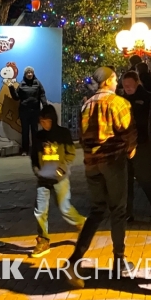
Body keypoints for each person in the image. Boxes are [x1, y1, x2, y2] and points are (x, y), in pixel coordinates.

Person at [66, 67, 137, 288]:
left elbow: (80, 135)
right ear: (108, 81)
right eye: (115, 79)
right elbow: (129, 132)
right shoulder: (118, 103)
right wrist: (130, 150)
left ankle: (74, 259)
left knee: (97, 210)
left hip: (91, 164)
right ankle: (119, 260)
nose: (116, 83)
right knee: (118, 210)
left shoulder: (86, 105)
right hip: (113, 162)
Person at [29, 105, 84, 258]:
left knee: (64, 208)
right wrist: (36, 170)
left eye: (46, 121)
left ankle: (82, 223)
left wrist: (62, 169)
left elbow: (70, 153)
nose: (43, 124)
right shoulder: (38, 136)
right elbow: (33, 156)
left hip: (60, 179)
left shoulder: (63, 134)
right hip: (43, 180)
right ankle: (43, 240)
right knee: (40, 210)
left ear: (52, 120)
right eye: (41, 121)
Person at [120, 70, 151, 220]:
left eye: (130, 85)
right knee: (126, 180)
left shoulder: (147, 98)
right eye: (125, 85)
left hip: (142, 144)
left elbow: (149, 121)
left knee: (144, 177)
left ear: (137, 83)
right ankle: (128, 212)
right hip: (125, 145)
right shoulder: (122, 99)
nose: (127, 88)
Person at [9, 66, 46, 156]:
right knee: (25, 132)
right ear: (25, 75)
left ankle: (35, 150)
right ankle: (25, 150)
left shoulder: (38, 83)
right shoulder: (21, 84)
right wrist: (11, 88)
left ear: (33, 74)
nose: (29, 74)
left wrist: (45, 106)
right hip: (24, 112)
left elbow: (42, 95)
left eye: (31, 72)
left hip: (35, 111)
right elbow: (16, 97)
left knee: (35, 131)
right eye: (27, 73)